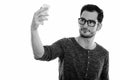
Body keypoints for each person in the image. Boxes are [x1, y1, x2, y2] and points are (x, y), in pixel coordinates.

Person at [31, 4, 109, 80]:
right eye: (82, 20)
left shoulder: (103, 53)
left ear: (98, 26)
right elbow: (40, 54)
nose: (85, 26)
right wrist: (34, 29)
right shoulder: (66, 44)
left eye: (91, 22)